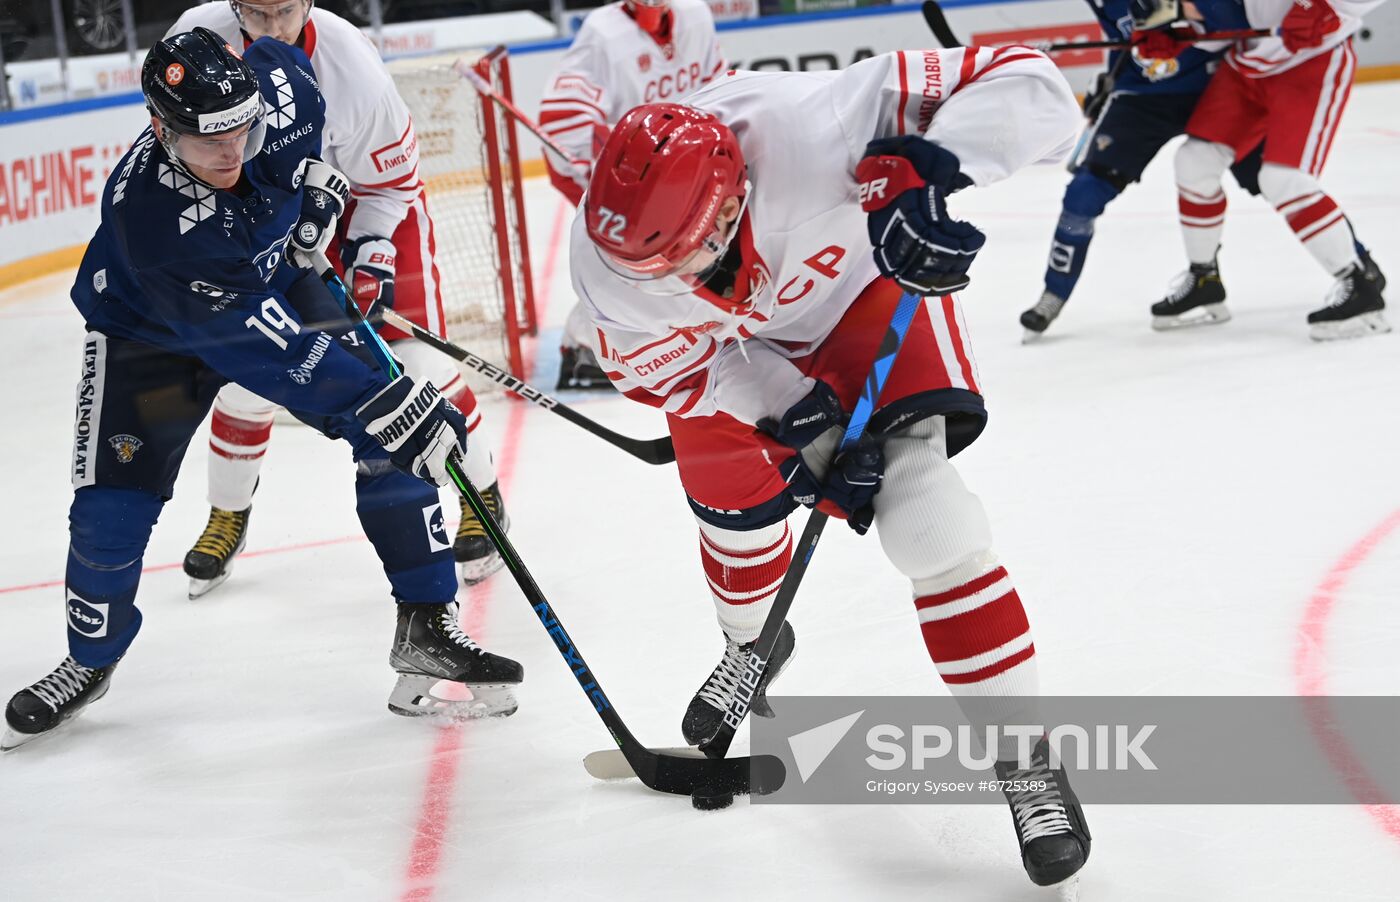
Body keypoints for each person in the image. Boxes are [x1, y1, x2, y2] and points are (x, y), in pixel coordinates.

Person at [571, 47, 1090, 888]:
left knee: (930, 522)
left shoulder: (824, 124)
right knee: (734, 538)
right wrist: (791, 409)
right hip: (732, 359)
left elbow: (1035, 86)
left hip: (861, 300)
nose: (675, 280)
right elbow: (681, 369)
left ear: (737, 197)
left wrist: (928, 167)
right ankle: (753, 646)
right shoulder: (610, 273)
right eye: (656, 271)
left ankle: (1024, 758)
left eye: (690, 259)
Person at [1, 29, 523, 752]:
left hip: (271, 288)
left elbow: (291, 70)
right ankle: (89, 660)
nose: (231, 153)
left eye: (242, 131)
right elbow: (279, 354)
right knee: (107, 516)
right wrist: (379, 399)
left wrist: (312, 194)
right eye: (206, 141)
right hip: (153, 347)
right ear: (159, 128)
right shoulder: (150, 217)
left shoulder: (279, 89)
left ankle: (427, 625)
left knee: (394, 437)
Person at [167, 0, 511, 597]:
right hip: (261, 214)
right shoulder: (195, 44)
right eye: (255, 11)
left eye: (284, 10)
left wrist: (370, 252)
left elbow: (391, 183)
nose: (271, 26)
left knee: (419, 370)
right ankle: (228, 511)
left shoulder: (353, 69)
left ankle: (481, 494)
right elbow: (175, 153)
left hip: (369, 205)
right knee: (245, 377)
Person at [1151, 0, 1389, 338]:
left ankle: (1359, 285)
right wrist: (1181, 35)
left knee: (1284, 179)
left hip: (1312, 58)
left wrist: (1331, 8)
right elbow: (1222, 16)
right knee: (1194, 161)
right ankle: (1204, 278)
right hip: (1248, 63)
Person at [538, 0, 725, 389]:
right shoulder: (603, 31)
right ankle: (583, 346)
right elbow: (561, 117)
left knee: (685, 251)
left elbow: (719, 89)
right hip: (621, 173)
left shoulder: (696, 15)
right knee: (630, 260)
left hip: (676, 168)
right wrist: (607, 176)